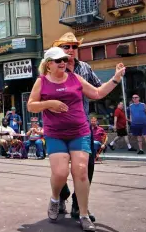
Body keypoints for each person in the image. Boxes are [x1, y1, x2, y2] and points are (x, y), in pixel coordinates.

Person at [27, 46, 125, 231]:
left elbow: (97, 93)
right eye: (58, 60)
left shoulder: (74, 78)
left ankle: (84, 214)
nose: (63, 62)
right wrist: (49, 103)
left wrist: (115, 78)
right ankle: (55, 199)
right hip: (55, 134)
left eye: (64, 59)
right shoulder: (41, 82)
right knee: (60, 173)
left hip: (79, 131)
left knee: (80, 171)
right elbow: (31, 106)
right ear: (49, 65)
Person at [54, 32, 103, 222]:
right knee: (60, 169)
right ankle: (62, 193)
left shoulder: (85, 68)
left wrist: (114, 79)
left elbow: (98, 89)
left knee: (87, 167)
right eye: (67, 46)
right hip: (59, 126)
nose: (71, 50)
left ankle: (78, 205)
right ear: (60, 49)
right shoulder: (55, 69)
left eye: (74, 46)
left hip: (82, 125)